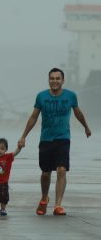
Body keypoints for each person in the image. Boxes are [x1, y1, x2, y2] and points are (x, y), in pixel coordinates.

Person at [17, 68, 91, 216]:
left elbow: (78, 113)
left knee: (61, 169)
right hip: (46, 139)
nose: (55, 81)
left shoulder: (70, 96)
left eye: (58, 78)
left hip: (63, 138)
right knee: (45, 173)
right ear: (49, 80)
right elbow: (33, 117)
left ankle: (58, 205)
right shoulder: (41, 96)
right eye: (52, 78)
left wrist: (86, 127)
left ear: (63, 80)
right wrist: (23, 136)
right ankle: (44, 198)